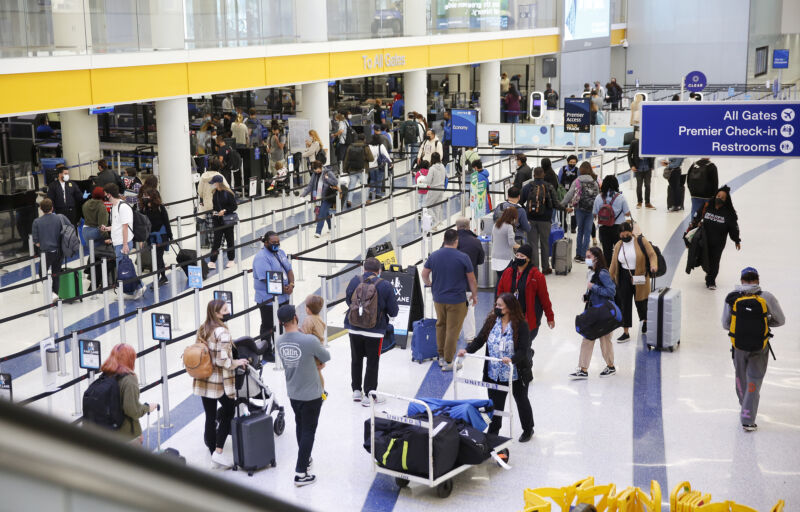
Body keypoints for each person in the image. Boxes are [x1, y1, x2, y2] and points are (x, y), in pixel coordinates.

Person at [458, 293, 534, 441]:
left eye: (500, 306)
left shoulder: (521, 325)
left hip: (515, 373)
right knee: (495, 406)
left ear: (510, 308)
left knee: (521, 400)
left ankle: (528, 429)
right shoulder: (492, 321)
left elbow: (523, 350)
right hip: (494, 372)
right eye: (496, 305)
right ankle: (493, 434)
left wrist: (512, 359)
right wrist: (467, 350)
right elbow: (480, 340)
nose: (496, 308)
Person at [721, 267, 785, 432]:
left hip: (739, 347)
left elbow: (726, 324)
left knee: (741, 378)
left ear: (742, 280)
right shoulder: (767, 297)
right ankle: (748, 419)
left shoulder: (732, 297)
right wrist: (763, 321)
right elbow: (780, 321)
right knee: (754, 381)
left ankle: (744, 405)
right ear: (757, 280)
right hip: (760, 346)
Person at [275, 304, 331, 487]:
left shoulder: (280, 341)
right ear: (295, 318)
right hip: (312, 394)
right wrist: (316, 365)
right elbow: (326, 356)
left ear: (280, 322)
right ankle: (300, 473)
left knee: (300, 425)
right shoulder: (309, 341)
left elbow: (294, 362)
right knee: (309, 431)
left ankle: (305, 459)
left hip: (293, 392)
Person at [193, 300, 248, 469]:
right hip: (218, 382)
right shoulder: (222, 332)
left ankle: (213, 453)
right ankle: (218, 451)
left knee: (210, 416)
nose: (228, 311)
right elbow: (223, 360)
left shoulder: (203, 328)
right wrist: (237, 362)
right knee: (229, 409)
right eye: (225, 310)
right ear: (217, 313)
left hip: (203, 379)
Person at [344, 257, 399, 406]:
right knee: (372, 362)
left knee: (356, 359)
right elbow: (394, 311)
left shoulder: (354, 281)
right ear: (379, 271)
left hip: (354, 328)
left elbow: (348, 301)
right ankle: (369, 395)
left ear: (363, 269)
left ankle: (356, 390)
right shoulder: (385, 285)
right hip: (375, 330)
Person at [421, 229, 479, 371]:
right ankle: (448, 361)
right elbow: (471, 279)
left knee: (441, 325)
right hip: (456, 300)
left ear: (444, 240)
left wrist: (429, 284)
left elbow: (424, 274)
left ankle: (440, 356)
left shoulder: (434, 256)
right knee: (453, 329)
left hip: (438, 298)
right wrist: (474, 295)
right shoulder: (463, 257)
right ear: (456, 241)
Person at [569, 246, 618, 379]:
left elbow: (611, 291)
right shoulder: (591, 272)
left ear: (596, 258)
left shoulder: (603, 273)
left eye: (589, 257)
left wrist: (594, 288)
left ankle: (610, 366)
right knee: (588, 338)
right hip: (593, 311)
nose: (587, 259)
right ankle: (583, 369)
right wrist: (587, 295)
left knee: (605, 341)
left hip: (603, 313)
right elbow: (591, 289)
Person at [608, 222, 657, 342]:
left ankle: (645, 321)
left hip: (640, 275)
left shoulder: (641, 241)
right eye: (622, 235)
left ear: (631, 232)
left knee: (641, 301)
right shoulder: (619, 245)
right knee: (625, 303)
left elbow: (652, 254)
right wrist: (609, 277)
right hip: (624, 275)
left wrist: (653, 265)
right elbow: (614, 263)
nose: (625, 237)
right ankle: (625, 332)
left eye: (627, 234)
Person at [496, 244, 555, 342]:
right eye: (517, 255)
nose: (519, 258)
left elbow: (545, 299)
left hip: (528, 319)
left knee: (524, 347)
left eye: (522, 256)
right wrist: (497, 309)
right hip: (509, 316)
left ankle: (527, 354)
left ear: (528, 259)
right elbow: (500, 292)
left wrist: (550, 317)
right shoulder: (508, 272)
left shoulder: (537, 276)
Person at [99, 343, 157, 443]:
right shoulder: (129, 380)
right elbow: (133, 411)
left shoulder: (106, 374)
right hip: (127, 436)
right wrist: (147, 407)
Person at [689, 186, 741, 290]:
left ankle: (711, 280)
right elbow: (697, 217)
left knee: (714, 261)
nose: (719, 198)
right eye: (718, 196)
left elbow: (733, 228)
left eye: (722, 197)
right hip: (704, 240)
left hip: (718, 243)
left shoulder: (729, 213)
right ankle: (708, 272)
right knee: (703, 258)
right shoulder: (707, 206)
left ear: (726, 200)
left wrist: (736, 240)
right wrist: (693, 227)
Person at [253, 231, 295, 359]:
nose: (276, 244)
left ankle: (280, 348)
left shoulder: (280, 253)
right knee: (268, 325)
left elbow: (289, 269)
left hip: (283, 296)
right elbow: (266, 279)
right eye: (273, 243)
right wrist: (284, 289)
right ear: (266, 243)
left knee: (283, 323)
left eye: (278, 242)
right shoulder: (261, 257)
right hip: (267, 298)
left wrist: (291, 284)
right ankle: (266, 352)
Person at [101, 183, 143, 298]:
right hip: (117, 242)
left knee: (123, 268)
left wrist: (125, 244)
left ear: (109, 194)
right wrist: (107, 228)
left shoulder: (123, 207)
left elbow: (125, 226)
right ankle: (135, 288)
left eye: (105, 194)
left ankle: (138, 287)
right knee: (125, 267)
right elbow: (117, 225)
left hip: (123, 243)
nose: (105, 196)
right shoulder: (114, 207)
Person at [560, 162, 599, 263]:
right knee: (587, 233)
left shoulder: (577, 181)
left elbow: (570, 194)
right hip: (591, 210)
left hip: (579, 209)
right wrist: (596, 211)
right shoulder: (594, 181)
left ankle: (578, 255)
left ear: (580, 170)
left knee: (580, 231)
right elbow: (597, 197)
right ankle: (585, 256)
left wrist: (562, 204)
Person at [522, 167, 556, 273]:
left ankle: (535, 268)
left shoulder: (528, 186)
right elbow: (555, 202)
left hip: (531, 219)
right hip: (546, 219)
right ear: (543, 175)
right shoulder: (549, 186)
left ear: (533, 175)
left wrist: (526, 211)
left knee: (533, 244)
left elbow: (521, 201)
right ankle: (546, 268)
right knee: (545, 243)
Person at [456, 217, 485, 343]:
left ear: (457, 227)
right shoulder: (475, 241)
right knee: (469, 309)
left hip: (453, 283)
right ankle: (470, 337)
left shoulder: (451, 240)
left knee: (453, 309)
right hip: (469, 282)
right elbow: (481, 260)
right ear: (468, 226)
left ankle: (454, 334)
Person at [592, 175, 631, 264]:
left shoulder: (599, 197)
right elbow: (627, 213)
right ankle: (618, 270)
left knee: (607, 252)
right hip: (618, 228)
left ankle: (609, 271)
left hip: (604, 228)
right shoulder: (621, 197)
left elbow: (594, 213)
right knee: (619, 250)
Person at [32, 198, 64, 302]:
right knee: (56, 274)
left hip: (46, 253)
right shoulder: (59, 218)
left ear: (41, 209)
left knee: (42, 274)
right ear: (52, 208)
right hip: (59, 251)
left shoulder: (37, 222)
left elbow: (36, 241)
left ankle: (51, 293)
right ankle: (55, 294)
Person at [140, 188, 172, 285]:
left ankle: (157, 279)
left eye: (147, 195)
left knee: (157, 257)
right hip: (151, 237)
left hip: (161, 236)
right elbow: (143, 225)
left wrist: (170, 236)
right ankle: (163, 277)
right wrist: (142, 238)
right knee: (158, 257)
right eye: (144, 196)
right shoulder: (144, 209)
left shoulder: (160, 207)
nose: (144, 197)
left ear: (152, 197)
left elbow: (166, 222)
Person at [300, 294, 328, 399]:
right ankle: (321, 391)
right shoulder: (319, 318)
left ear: (308, 309)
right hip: (319, 349)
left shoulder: (308, 320)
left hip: (311, 352)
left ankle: (314, 393)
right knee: (318, 371)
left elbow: (306, 337)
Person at [301, 161, 338, 238]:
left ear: (321, 167)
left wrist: (327, 179)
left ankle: (318, 232)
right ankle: (331, 227)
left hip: (327, 196)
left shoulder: (328, 172)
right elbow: (310, 185)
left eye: (317, 169)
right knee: (325, 212)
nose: (316, 171)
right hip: (318, 197)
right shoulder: (315, 174)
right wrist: (303, 194)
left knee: (321, 214)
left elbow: (335, 182)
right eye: (314, 170)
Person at [207, 175, 237, 269]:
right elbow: (215, 206)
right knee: (216, 241)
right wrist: (214, 212)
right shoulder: (214, 193)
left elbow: (234, 206)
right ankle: (212, 261)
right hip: (217, 220)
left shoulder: (228, 193)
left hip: (227, 220)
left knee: (230, 240)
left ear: (218, 183)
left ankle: (231, 259)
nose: (212, 185)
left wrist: (224, 211)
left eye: (214, 183)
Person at [343, 133, 373, 207]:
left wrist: (345, 169)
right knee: (364, 185)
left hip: (352, 169)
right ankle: (365, 200)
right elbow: (371, 158)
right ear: (364, 139)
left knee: (351, 185)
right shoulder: (365, 147)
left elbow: (346, 159)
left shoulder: (350, 146)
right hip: (363, 170)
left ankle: (349, 200)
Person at [491, 207, 520, 283]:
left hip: (495, 257)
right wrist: (521, 247)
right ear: (513, 217)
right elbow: (512, 243)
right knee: (507, 282)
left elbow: (492, 240)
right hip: (505, 258)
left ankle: (497, 295)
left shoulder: (495, 225)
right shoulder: (509, 227)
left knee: (499, 281)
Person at [627, 139, 655, 209]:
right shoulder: (634, 143)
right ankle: (639, 202)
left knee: (648, 185)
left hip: (647, 168)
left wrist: (652, 165)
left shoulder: (650, 141)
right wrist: (632, 165)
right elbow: (629, 155)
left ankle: (647, 203)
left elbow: (653, 153)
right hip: (638, 168)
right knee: (639, 186)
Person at [422, 152, 447, 228]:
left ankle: (436, 221)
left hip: (434, 189)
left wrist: (423, 180)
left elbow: (428, 181)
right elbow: (446, 176)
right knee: (437, 206)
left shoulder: (432, 168)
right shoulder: (442, 166)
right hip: (441, 188)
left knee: (427, 206)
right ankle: (437, 223)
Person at [367, 134, 391, 202]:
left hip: (371, 165)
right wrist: (390, 162)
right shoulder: (381, 146)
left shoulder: (369, 146)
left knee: (372, 179)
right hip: (379, 165)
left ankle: (371, 191)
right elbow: (386, 155)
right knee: (379, 180)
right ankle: (378, 193)